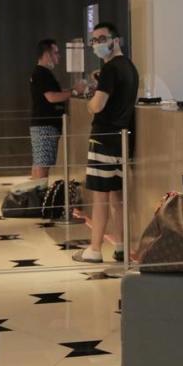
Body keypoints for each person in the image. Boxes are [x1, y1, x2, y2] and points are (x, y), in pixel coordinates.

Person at [73, 22, 139, 264]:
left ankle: (94, 249)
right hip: (122, 140)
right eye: (94, 40)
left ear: (116, 40)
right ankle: (121, 246)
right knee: (116, 197)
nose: (97, 44)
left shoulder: (111, 69)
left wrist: (91, 100)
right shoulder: (130, 68)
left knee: (100, 197)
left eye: (102, 38)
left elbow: (98, 105)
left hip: (103, 138)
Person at [29, 39, 81, 181]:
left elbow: (53, 92)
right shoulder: (42, 73)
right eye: (56, 53)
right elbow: (51, 97)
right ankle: (39, 197)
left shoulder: (42, 73)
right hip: (45, 126)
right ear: (47, 54)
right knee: (42, 165)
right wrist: (74, 92)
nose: (59, 56)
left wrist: (71, 91)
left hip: (45, 125)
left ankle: (37, 196)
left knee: (40, 162)